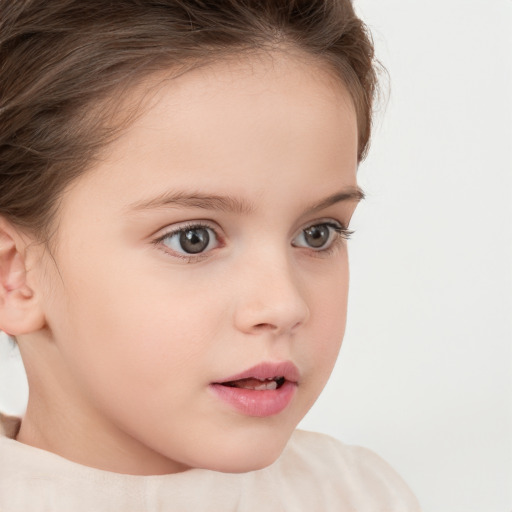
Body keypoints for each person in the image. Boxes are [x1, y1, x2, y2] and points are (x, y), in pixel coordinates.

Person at [0, 0, 421, 510]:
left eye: (317, 233)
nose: (285, 305)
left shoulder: (361, 496)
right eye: (193, 238)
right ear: (14, 275)